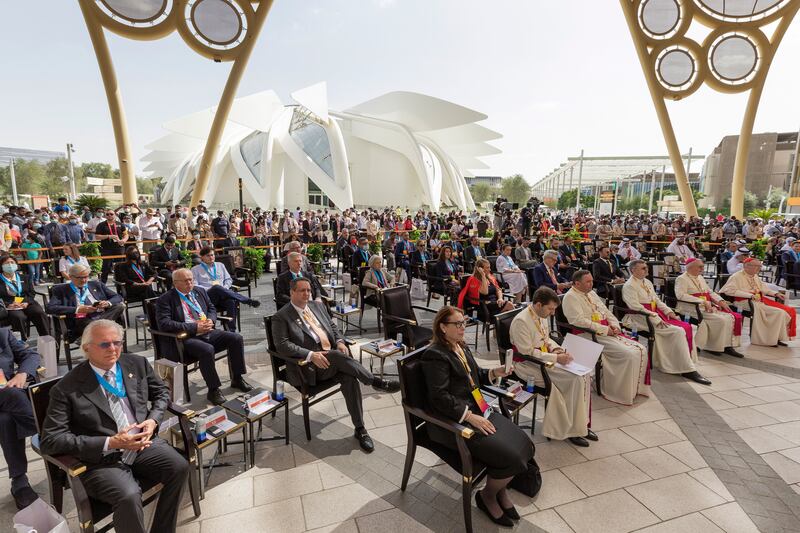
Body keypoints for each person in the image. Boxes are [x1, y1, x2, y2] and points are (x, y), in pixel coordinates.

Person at [40, 320, 190, 533]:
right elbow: (50, 440)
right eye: (104, 344)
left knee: (180, 466)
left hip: (141, 443)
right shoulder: (66, 388)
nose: (113, 349)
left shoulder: (136, 363)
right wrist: (111, 442)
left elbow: (161, 392)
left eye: (117, 343)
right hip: (101, 459)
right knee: (128, 496)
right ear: (86, 348)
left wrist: (153, 419)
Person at [422, 306, 532, 527]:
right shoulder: (435, 355)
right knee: (513, 457)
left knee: (526, 446)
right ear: (443, 327)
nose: (463, 327)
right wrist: (470, 417)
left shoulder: (460, 346)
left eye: (464, 322)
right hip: (455, 423)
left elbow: (474, 377)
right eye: (458, 324)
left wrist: (495, 372)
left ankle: (498, 490)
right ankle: (487, 496)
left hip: (479, 409)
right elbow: (439, 398)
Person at [271, 277, 399, 452]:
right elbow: (282, 345)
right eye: (302, 290)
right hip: (307, 368)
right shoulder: (281, 316)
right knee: (337, 356)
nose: (307, 294)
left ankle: (360, 429)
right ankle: (375, 382)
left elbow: (332, 326)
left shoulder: (317, 306)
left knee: (349, 377)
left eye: (309, 290)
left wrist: (339, 341)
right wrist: (310, 355)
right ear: (292, 292)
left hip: (332, 361)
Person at [510, 287, 595, 446]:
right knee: (574, 380)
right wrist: (557, 358)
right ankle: (571, 430)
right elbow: (526, 352)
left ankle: (581, 424)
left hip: (543, 360)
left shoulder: (540, 315)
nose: (552, 313)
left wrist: (556, 349)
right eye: (550, 308)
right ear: (538, 304)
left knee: (584, 374)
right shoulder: (522, 321)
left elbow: (546, 339)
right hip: (527, 365)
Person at [155, 268, 252, 405]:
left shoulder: (199, 291)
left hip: (207, 331)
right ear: (175, 283)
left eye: (191, 280)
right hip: (185, 338)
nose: (190, 283)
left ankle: (237, 377)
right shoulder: (165, 299)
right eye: (186, 281)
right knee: (207, 350)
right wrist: (194, 327)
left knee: (236, 338)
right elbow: (164, 324)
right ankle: (213, 389)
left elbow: (212, 308)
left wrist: (211, 321)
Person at [562, 270, 649, 405]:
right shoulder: (571, 297)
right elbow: (578, 321)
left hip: (605, 331)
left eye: (592, 281)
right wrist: (604, 329)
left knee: (641, 349)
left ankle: (633, 389)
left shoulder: (591, 293)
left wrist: (615, 325)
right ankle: (616, 391)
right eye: (588, 282)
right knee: (628, 354)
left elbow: (606, 311)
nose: (592, 284)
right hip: (587, 335)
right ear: (577, 283)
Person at [622, 260, 709, 385]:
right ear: (632, 270)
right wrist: (656, 318)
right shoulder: (629, 285)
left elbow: (657, 300)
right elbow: (635, 306)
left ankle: (684, 361)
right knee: (677, 331)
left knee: (685, 327)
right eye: (643, 268)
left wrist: (669, 312)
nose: (646, 270)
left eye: (646, 268)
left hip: (654, 312)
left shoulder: (647, 282)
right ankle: (683, 368)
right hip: (640, 317)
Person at [0, 326, 39, 509]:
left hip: (5, 397)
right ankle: (53, 437)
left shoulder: (2, 334)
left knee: (6, 419)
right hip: (10, 397)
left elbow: (30, 356)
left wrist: (22, 374)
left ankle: (19, 480)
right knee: (14, 396)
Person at [675, 258, 744, 357]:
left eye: (702, 266)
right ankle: (711, 346)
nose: (702, 269)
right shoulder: (681, 278)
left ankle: (727, 346)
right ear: (691, 267)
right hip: (690, 308)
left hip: (705, 307)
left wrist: (720, 301)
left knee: (729, 318)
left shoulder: (700, 277)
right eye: (700, 266)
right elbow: (680, 295)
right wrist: (702, 301)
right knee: (720, 320)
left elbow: (710, 292)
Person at [721, 258, 795, 346]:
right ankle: (765, 339)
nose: (759, 268)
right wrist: (750, 295)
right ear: (746, 266)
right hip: (743, 302)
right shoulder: (736, 276)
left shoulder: (755, 276)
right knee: (776, 313)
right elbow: (729, 291)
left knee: (781, 313)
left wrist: (776, 294)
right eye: (757, 266)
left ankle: (774, 338)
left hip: (757, 302)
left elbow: (764, 289)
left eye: (759, 266)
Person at [47, 263, 126, 341]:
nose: (84, 280)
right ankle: (97, 332)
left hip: (102, 315)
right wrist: (77, 309)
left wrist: (107, 303)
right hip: (81, 320)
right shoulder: (61, 290)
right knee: (89, 323)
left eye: (86, 277)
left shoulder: (96, 285)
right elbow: (51, 308)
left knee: (119, 306)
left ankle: (94, 332)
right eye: (80, 278)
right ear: (71, 277)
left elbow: (118, 297)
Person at [191, 247, 260, 331]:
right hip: (208, 297)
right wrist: (212, 288)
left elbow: (228, 279)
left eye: (212, 255)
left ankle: (231, 330)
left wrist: (224, 288)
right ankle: (246, 300)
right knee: (216, 288)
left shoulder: (220, 265)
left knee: (231, 301)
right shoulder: (195, 269)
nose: (211, 257)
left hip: (223, 294)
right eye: (208, 256)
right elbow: (195, 286)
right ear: (202, 257)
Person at [0, 255, 50, 336]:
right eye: (7, 263)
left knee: (39, 313)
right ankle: (21, 342)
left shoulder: (24, 277)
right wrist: (9, 304)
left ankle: (46, 337)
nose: (10, 265)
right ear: (2, 266)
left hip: (26, 302)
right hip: (10, 306)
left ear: (16, 264)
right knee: (18, 317)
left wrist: (26, 302)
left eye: (12, 262)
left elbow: (31, 292)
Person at [95, 210, 129, 284]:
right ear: (105, 215)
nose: (109, 215)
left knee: (120, 266)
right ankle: (103, 284)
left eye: (111, 214)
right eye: (107, 214)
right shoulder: (101, 225)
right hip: (106, 248)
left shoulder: (120, 224)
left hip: (119, 248)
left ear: (115, 215)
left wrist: (123, 240)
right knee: (106, 266)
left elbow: (126, 234)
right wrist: (109, 236)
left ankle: (121, 283)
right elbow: (97, 236)